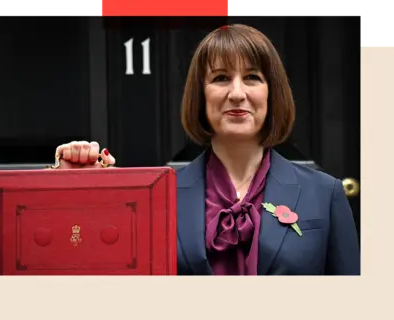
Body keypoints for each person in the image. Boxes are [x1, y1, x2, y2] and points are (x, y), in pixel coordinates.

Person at [52, 24, 360, 275]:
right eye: (221, 78)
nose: (237, 93)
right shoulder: (156, 198)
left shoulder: (325, 194)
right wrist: (80, 191)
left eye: (252, 77)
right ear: (200, 95)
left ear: (272, 93)